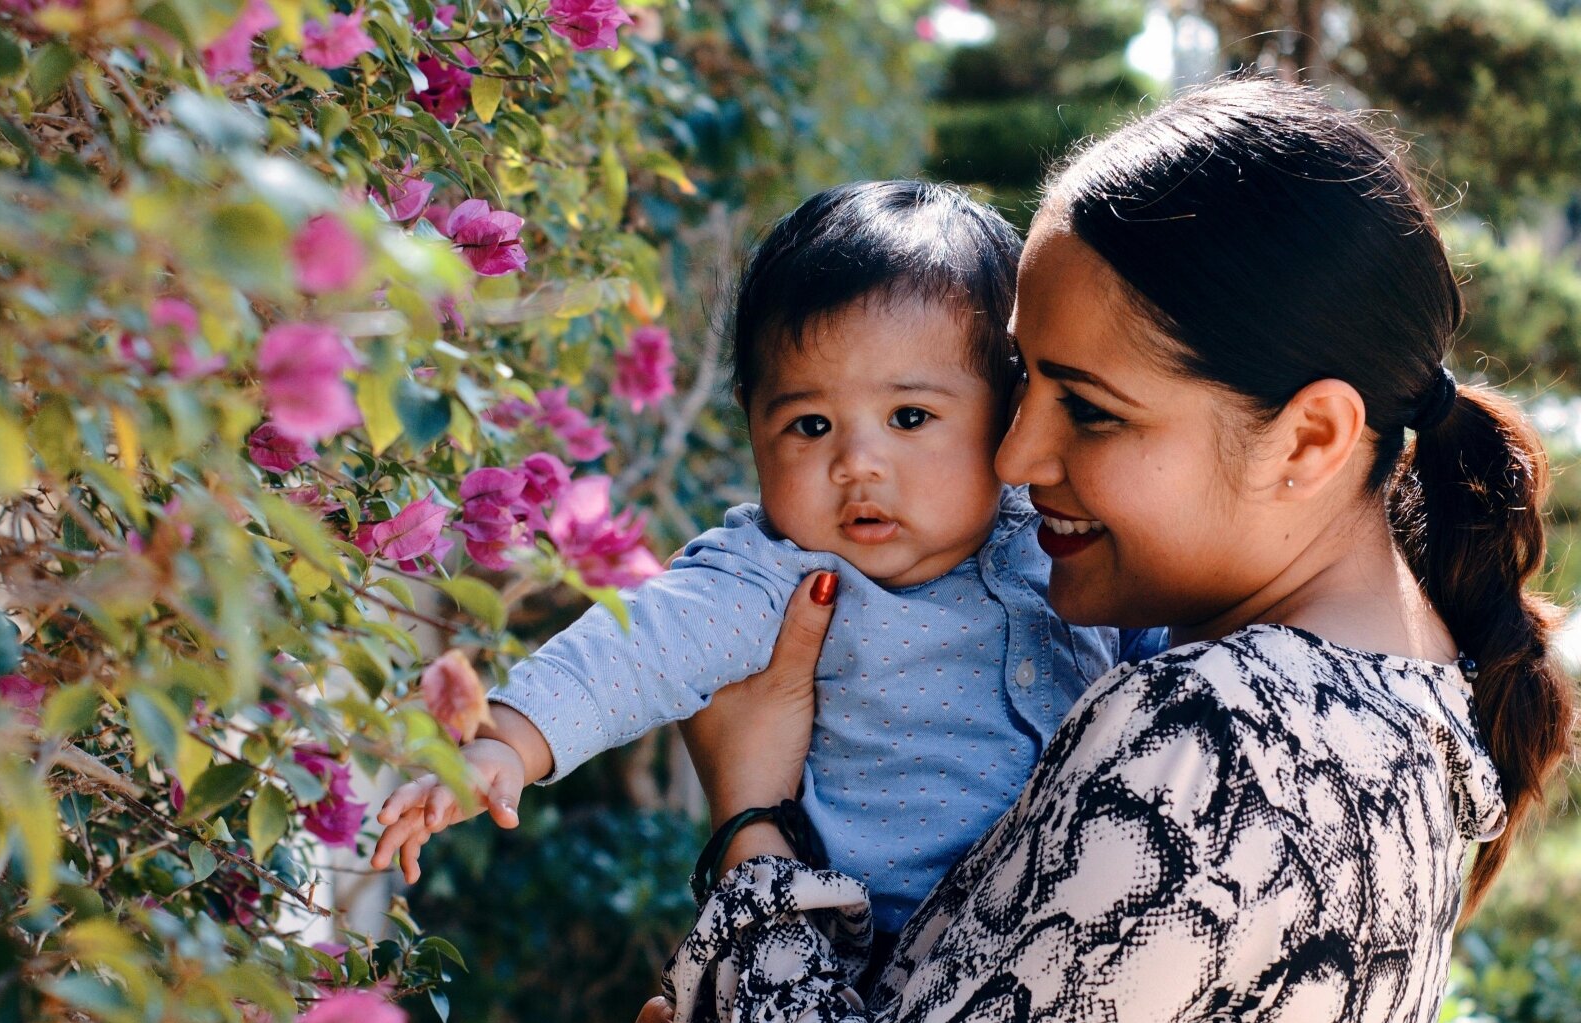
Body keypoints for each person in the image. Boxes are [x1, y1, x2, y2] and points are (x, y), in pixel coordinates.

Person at [636, 77, 1576, 1023]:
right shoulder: (1407, 704)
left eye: (1088, 408)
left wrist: (753, 817)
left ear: (1307, 440)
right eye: (1018, 382)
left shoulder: (1217, 737)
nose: (1012, 459)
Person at [368, 181, 1166, 947]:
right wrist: (508, 740)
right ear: (754, 426)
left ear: (1009, 412)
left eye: (910, 417)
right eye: (811, 425)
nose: (858, 462)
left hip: (1069, 930)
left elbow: (1166, 655)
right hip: (869, 953)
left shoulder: (1060, 540)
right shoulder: (771, 577)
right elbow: (635, 647)